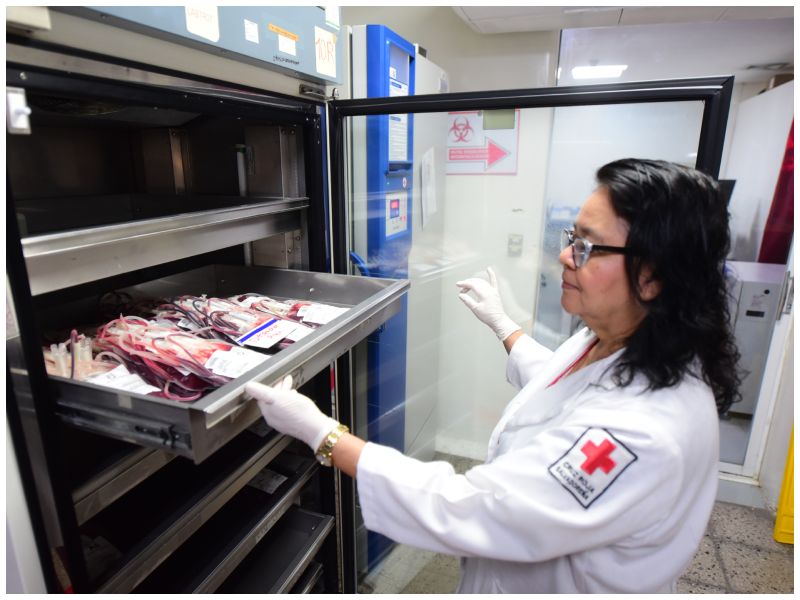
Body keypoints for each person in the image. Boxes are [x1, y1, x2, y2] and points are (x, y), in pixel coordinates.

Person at [246, 158, 741, 593]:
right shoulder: (624, 339)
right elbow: (565, 391)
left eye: (588, 247)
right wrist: (505, 327)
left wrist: (321, 433)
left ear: (653, 276)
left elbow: (472, 508)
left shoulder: (641, 433)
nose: (566, 256)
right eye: (572, 238)